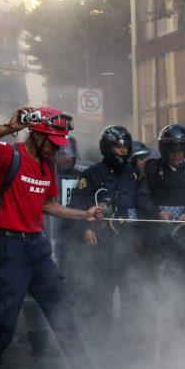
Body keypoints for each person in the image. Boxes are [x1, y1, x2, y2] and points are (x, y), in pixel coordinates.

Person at [0, 106, 102, 369]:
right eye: (51, 140)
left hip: (37, 251)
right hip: (9, 250)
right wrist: (8, 127)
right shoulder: (8, 155)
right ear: (35, 134)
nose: (56, 147)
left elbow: (47, 204)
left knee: (63, 314)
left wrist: (83, 214)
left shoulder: (49, 166)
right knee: (2, 325)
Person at [66, 125, 138, 334]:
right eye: (118, 147)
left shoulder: (133, 173)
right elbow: (77, 203)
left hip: (127, 242)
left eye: (125, 147)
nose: (123, 151)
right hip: (102, 242)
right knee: (102, 292)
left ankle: (129, 336)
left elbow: (141, 202)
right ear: (107, 148)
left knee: (131, 291)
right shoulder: (91, 174)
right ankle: (101, 336)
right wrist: (85, 228)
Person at [136, 125, 185, 222]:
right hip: (156, 224)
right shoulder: (151, 168)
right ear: (164, 150)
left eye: (180, 151)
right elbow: (142, 196)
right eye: (172, 151)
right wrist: (157, 212)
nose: (176, 155)